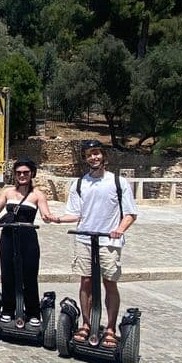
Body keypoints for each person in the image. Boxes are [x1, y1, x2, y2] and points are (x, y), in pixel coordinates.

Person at [49, 139, 138, 348]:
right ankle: (87, 324)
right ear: (85, 158)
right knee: (86, 282)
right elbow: (75, 214)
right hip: (84, 239)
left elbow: (131, 214)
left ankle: (110, 328)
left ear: (103, 156)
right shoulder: (80, 183)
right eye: (89, 154)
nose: (93, 157)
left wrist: (120, 230)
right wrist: (58, 219)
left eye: (97, 153)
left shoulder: (118, 182)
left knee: (109, 282)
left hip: (109, 240)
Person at [0, 157, 55, 325]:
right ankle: (8, 309)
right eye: (18, 173)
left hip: (28, 238)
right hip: (8, 237)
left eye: (25, 172)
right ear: (15, 175)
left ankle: (32, 312)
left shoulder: (37, 195)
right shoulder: (8, 192)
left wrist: (49, 217)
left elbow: (45, 214)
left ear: (32, 174)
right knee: (8, 273)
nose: (22, 175)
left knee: (29, 275)